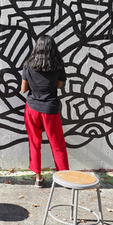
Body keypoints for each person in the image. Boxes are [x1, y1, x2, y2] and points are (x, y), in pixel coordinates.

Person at [21, 35, 69, 188]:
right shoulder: (58, 66)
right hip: (50, 109)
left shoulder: (28, 65)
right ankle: (64, 177)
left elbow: (23, 89)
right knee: (57, 144)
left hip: (32, 109)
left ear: (37, 48)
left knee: (34, 143)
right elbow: (60, 85)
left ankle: (38, 178)